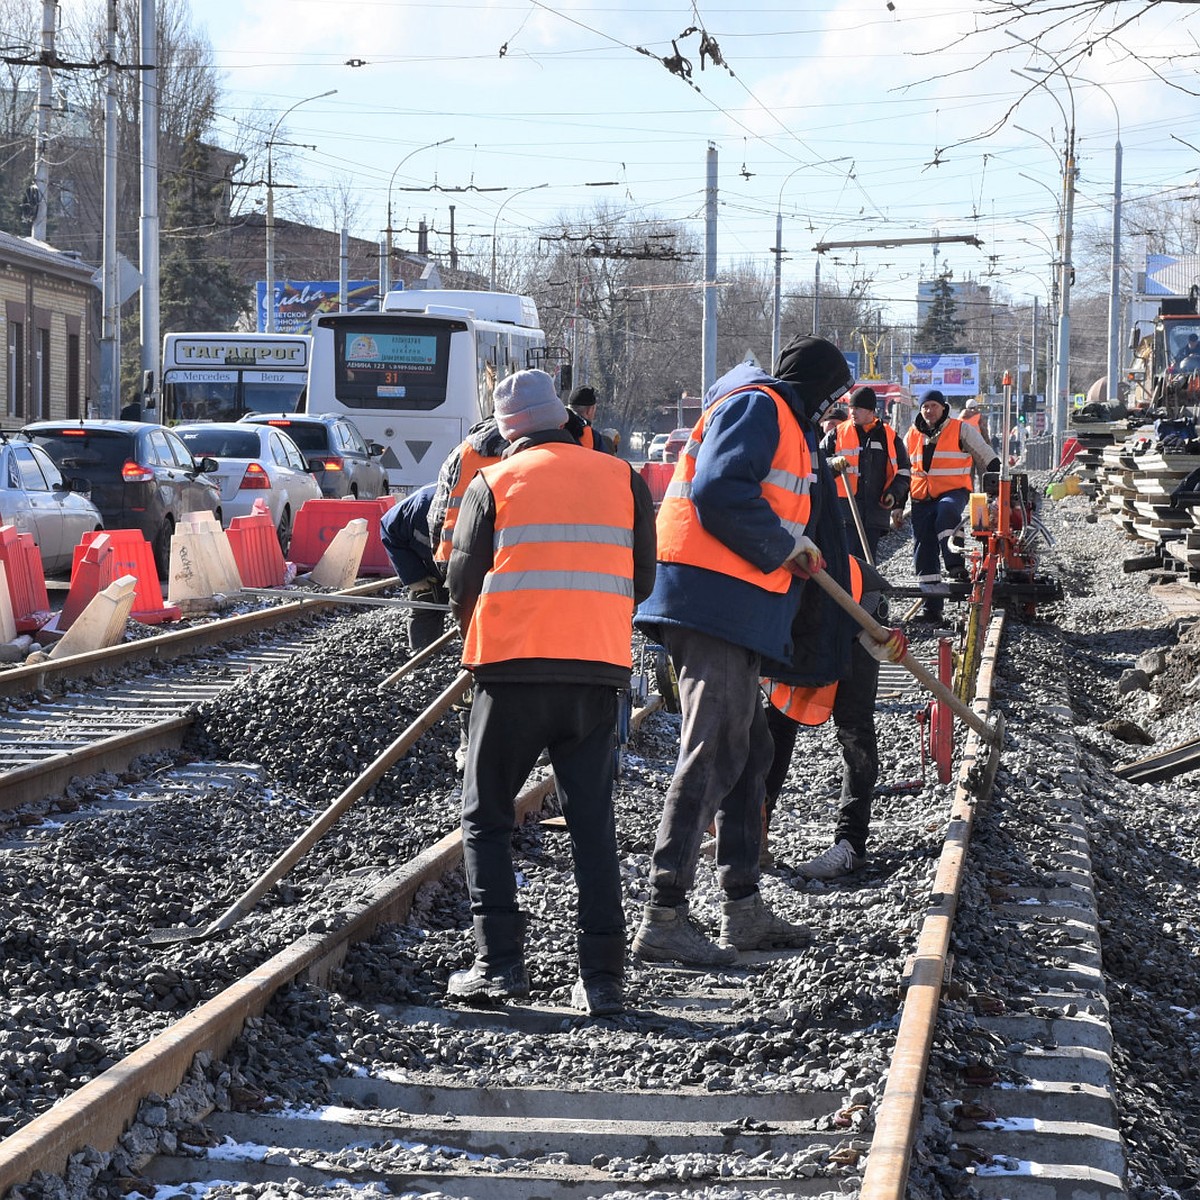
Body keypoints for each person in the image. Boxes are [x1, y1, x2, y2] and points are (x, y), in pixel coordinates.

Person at [631, 334, 853, 967]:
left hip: (731, 603)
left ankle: (742, 904)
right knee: (714, 749)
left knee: (751, 750)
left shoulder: (779, 416)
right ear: (817, 387)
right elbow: (721, 489)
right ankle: (665, 911)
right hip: (711, 602)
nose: (835, 410)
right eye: (832, 397)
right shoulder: (760, 408)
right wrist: (782, 546)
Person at [445, 369, 657, 1015]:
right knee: (592, 823)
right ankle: (601, 979)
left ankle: (500, 966)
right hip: (597, 671)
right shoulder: (622, 477)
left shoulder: (495, 481)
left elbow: (462, 581)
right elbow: (642, 581)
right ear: (563, 418)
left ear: (508, 431)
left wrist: (480, 632)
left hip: (510, 673)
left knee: (486, 817)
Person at [761, 555, 906, 879]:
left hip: (858, 606)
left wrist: (872, 634)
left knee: (854, 725)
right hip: (807, 611)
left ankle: (851, 845)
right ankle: (752, 830)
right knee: (779, 718)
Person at [904, 389, 1000, 623]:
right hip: (921, 498)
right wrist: (897, 502)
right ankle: (932, 609)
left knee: (947, 513)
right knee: (924, 550)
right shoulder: (912, 434)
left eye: (934, 406)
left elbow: (986, 455)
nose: (929, 410)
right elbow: (902, 466)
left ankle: (955, 565)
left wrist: (997, 489)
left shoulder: (960, 429)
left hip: (953, 491)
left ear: (943, 407)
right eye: (925, 406)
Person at [823, 386, 910, 562]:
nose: (853, 412)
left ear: (871, 411)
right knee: (847, 558)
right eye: (851, 408)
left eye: (858, 409)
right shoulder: (837, 434)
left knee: (867, 558)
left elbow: (903, 471)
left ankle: (866, 589)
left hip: (875, 511)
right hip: (844, 510)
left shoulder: (888, 436)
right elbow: (816, 461)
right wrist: (832, 463)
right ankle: (849, 589)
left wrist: (894, 494)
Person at [379, 483, 447, 654]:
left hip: (473, 569)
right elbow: (389, 528)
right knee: (425, 598)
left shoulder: (485, 505)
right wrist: (414, 576)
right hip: (431, 568)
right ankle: (423, 656)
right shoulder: (419, 507)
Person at [566, 385, 614, 452]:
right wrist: (608, 442)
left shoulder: (555, 425)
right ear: (589, 410)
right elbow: (605, 460)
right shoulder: (593, 437)